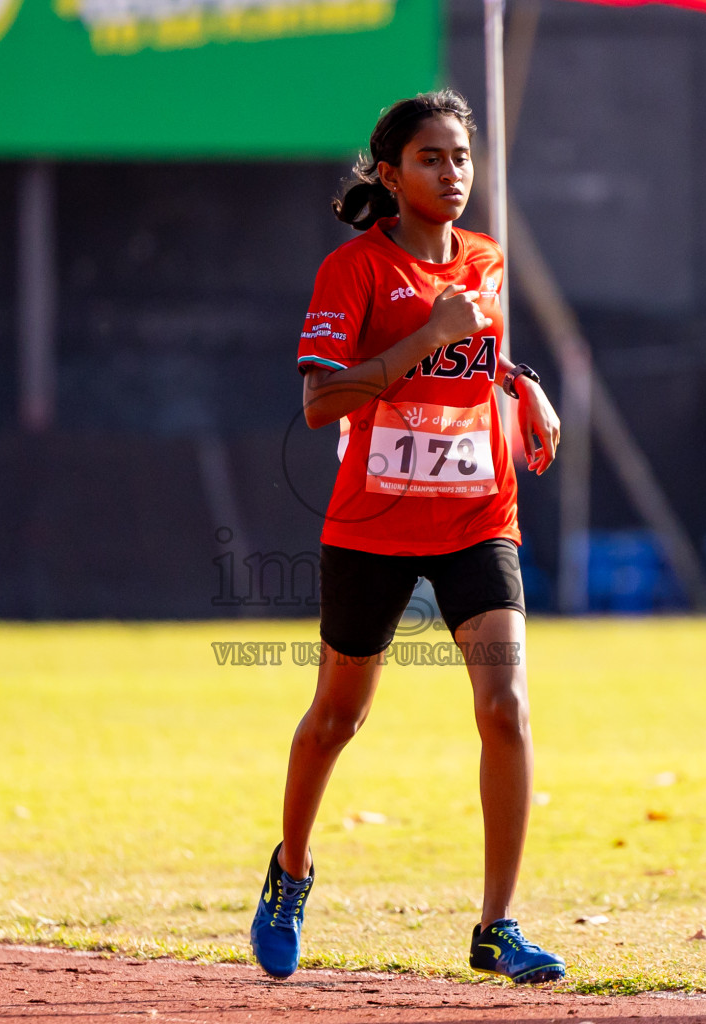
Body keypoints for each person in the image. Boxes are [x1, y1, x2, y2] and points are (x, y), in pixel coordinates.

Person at [250, 91, 565, 985]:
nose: (453, 173)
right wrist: (426, 337)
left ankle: (496, 925)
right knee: (337, 719)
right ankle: (292, 871)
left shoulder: (487, 260)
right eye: (433, 158)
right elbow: (320, 404)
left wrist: (523, 383)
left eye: (462, 157)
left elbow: (482, 344)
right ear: (391, 175)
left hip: (476, 518)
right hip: (374, 526)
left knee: (505, 709)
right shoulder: (352, 271)